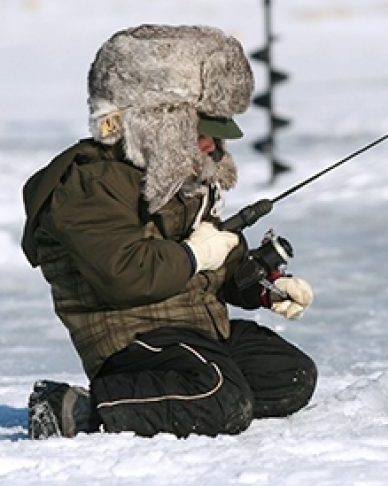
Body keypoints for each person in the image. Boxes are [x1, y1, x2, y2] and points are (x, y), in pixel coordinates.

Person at [20, 24, 317, 439]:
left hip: (194, 329)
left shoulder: (185, 180)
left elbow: (222, 264)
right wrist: (196, 255)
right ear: (159, 126)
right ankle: (76, 408)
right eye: (203, 135)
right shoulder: (90, 185)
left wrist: (263, 286)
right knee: (221, 398)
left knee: (290, 376)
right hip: (132, 339)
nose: (214, 147)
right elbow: (125, 275)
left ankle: (181, 397)